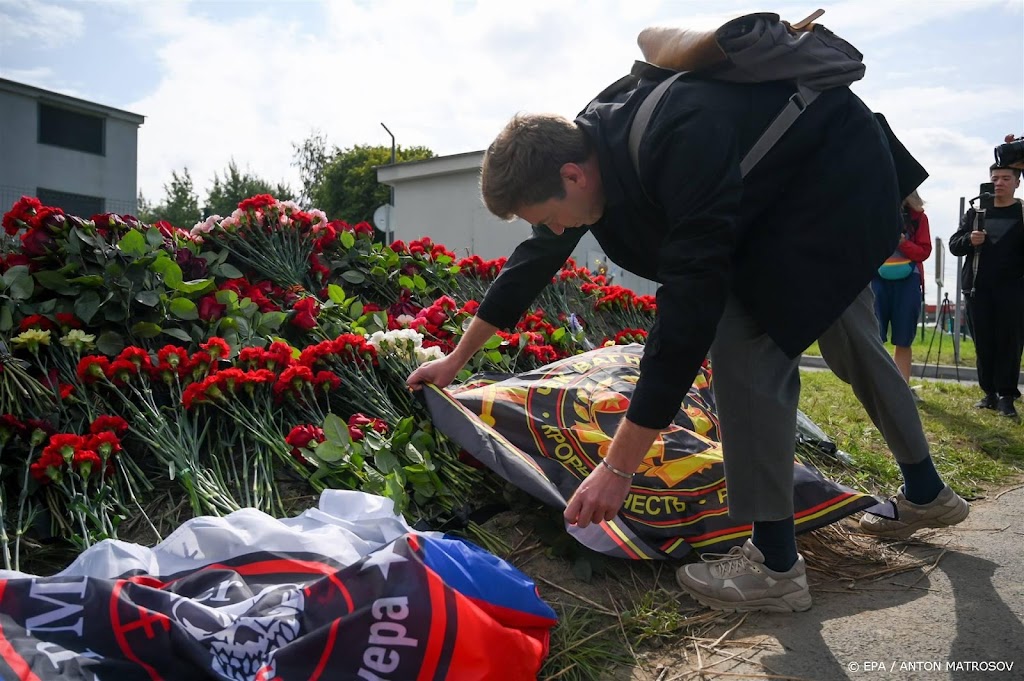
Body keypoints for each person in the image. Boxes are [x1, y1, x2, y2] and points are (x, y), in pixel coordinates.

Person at [408, 60, 968, 613]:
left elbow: (688, 313)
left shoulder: (677, 143)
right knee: (843, 344)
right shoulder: (580, 151)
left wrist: (619, 467)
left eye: (550, 215)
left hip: (833, 190)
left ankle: (775, 568)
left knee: (745, 350)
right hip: (805, 188)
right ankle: (927, 493)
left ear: (573, 177)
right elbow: (536, 259)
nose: (556, 230)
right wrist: (457, 359)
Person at [949, 163, 1024, 418]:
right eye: (995, 178)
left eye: (1005, 178)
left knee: (1010, 342)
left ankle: (1007, 396)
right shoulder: (975, 212)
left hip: (1013, 291)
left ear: (1017, 182)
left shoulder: (1022, 212)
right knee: (984, 342)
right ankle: (989, 394)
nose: (999, 183)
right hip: (977, 289)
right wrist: (969, 239)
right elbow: (954, 244)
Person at [871, 191, 931, 387]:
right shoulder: (874, 213)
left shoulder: (918, 217)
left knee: (903, 338)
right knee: (873, 335)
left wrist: (903, 243)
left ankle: (902, 388)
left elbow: (924, 251)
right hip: (877, 279)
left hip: (908, 281)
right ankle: (878, 388)